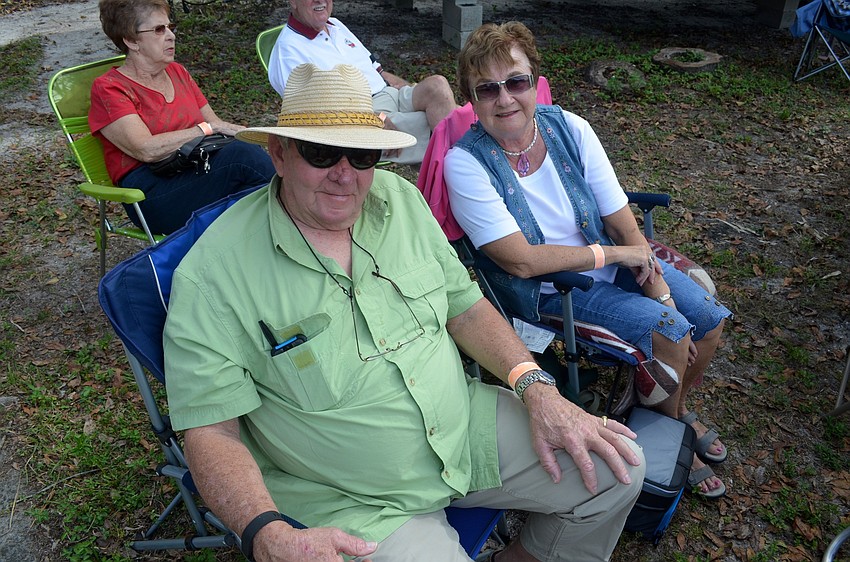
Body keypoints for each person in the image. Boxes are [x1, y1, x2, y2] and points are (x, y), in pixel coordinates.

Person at [162, 62, 645, 562]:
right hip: (354, 497)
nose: (345, 174)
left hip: (462, 431)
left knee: (618, 471)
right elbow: (212, 430)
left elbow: (465, 307)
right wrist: (264, 531)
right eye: (322, 152)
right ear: (279, 154)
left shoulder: (400, 202)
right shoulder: (214, 275)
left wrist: (535, 385)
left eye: (362, 154)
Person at [444, 21, 734, 500]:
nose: (505, 99)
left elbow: (620, 218)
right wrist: (619, 256)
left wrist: (652, 276)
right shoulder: (465, 163)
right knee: (670, 331)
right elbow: (519, 261)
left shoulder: (570, 128)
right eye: (487, 89)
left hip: (612, 260)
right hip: (555, 289)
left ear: (534, 81)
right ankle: (673, 434)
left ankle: (676, 410)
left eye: (515, 82)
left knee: (706, 316)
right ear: (471, 101)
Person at [90, 0, 276, 234]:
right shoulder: (109, 88)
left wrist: (266, 137)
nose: (171, 36)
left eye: (170, 27)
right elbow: (145, 149)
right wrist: (203, 129)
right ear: (131, 40)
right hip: (152, 194)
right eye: (159, 30)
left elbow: (216, 125)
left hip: (195, 167)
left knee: (252, 159)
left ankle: (258, 243)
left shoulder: (177, 72)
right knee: (242, 159)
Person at [266, 0, 458, 164]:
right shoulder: (288, 50)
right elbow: (312, 111)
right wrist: (376, 118)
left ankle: (454, 168)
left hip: (389, 94)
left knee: (438, 86)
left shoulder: (335, 25)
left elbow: (377, 70)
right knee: (445, 123)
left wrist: (406, 88)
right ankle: (460, 173)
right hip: (359, 117)